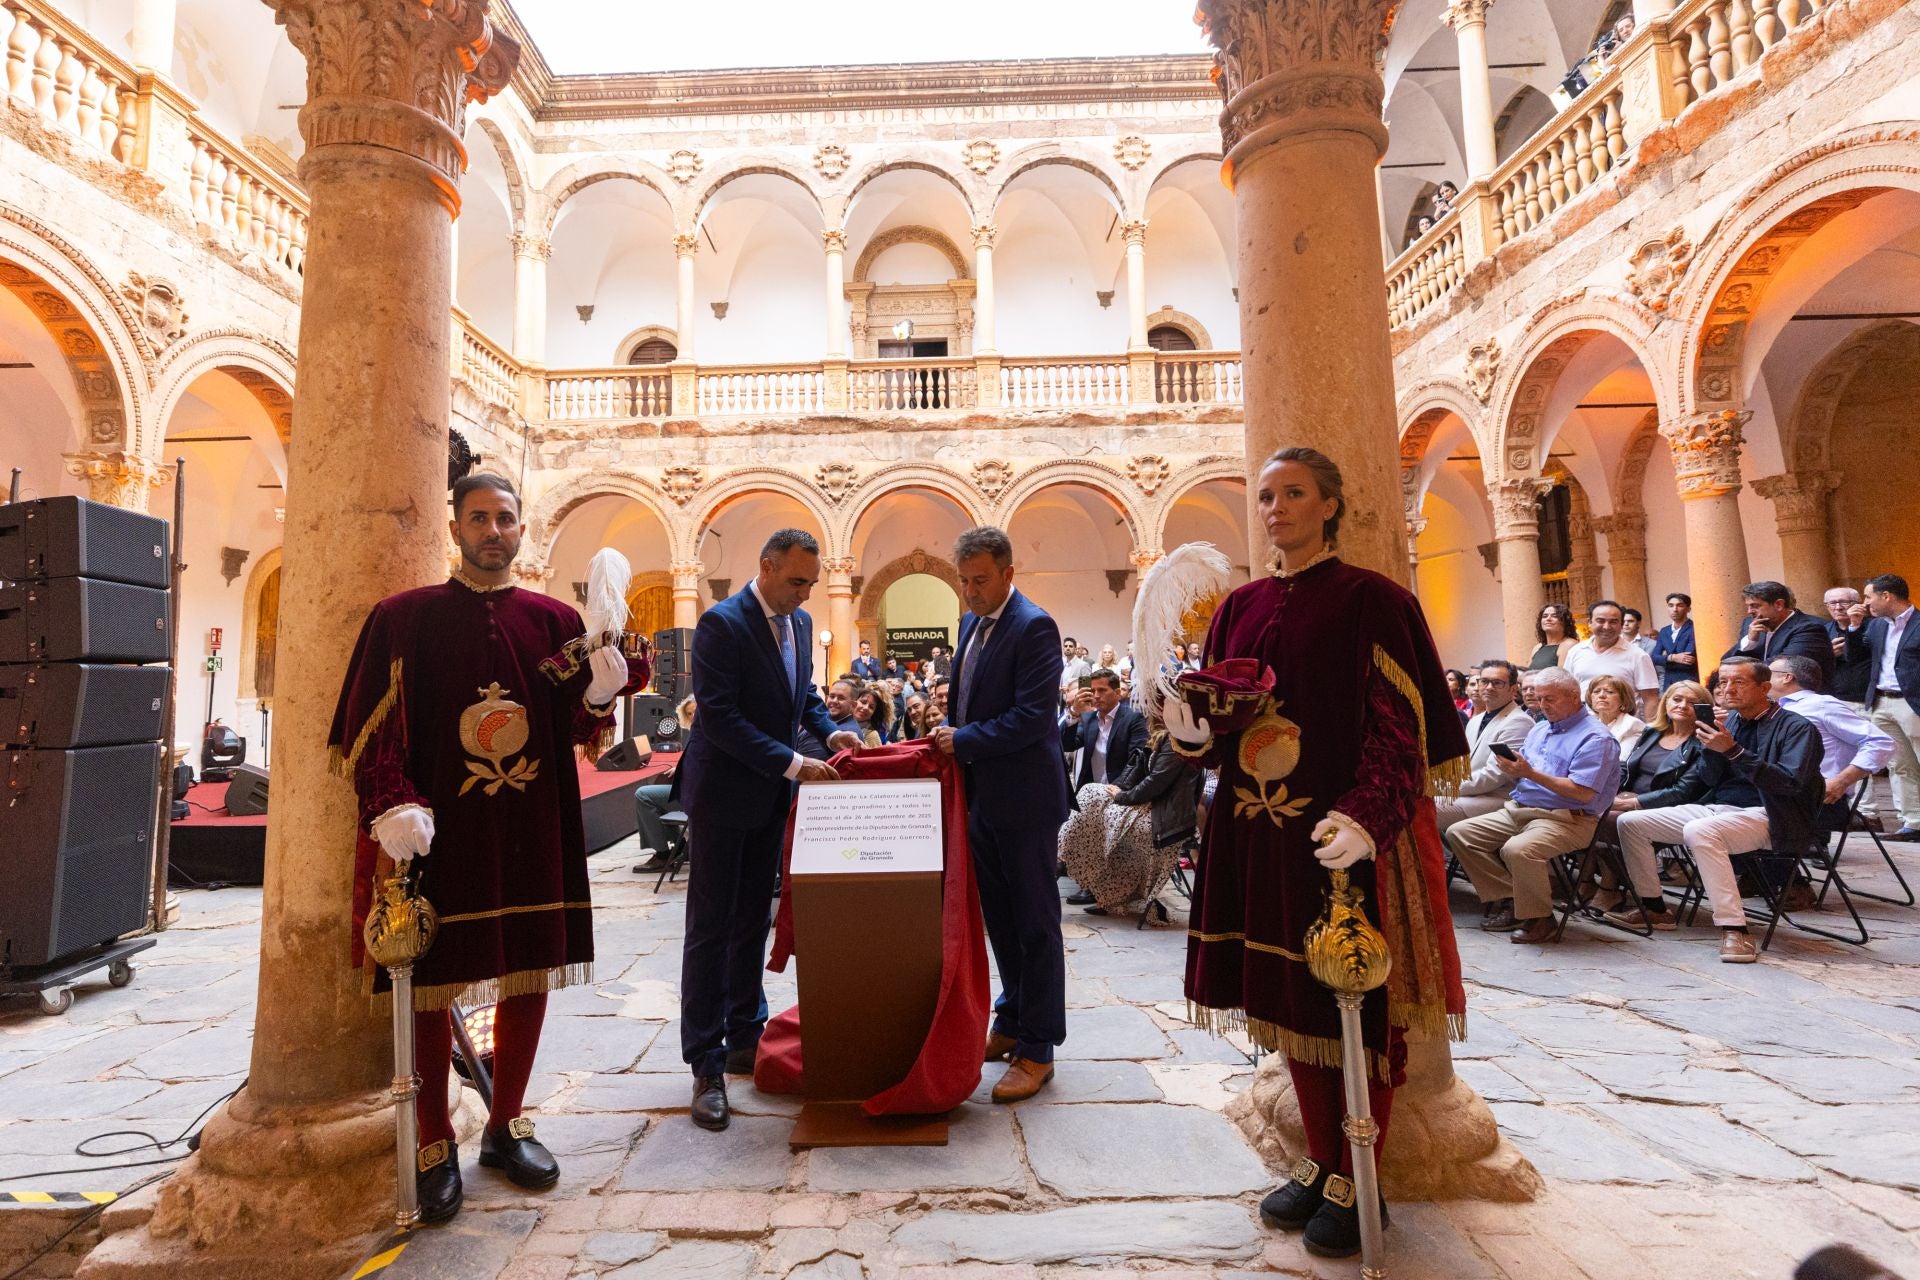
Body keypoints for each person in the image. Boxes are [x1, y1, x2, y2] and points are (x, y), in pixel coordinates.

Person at [1161, 447, 1467, 1260]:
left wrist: (1367, 817)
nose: (1275, 509)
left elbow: (1403, 737)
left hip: (1341, 842)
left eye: (1293, 494)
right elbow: (1225, 734)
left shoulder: (1377, 601)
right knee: (1290, 1004)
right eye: (1265, 496)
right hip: (1258, 837)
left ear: (1330, 505)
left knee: (1357, 1000)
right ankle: (1319, 1158)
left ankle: (1356, 1176)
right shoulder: (1241, 606)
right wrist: (1194, 735)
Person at [331, 473, 647, 1222]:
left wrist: (600, 696)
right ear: (455, 528)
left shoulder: (552, 621)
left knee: (529, 966)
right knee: (432, 976)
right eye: (479, 517)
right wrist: (390, 805)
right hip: (441, 829)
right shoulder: (402, 619)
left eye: (506, 518)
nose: (494, 530)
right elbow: (366, 735)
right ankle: (435, 1139)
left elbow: (578, 731)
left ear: (522, 531)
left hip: (534, 820)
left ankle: (506, 1124)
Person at [678, 529, 862, 1132]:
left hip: (766, 797)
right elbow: (722, 716)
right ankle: (705, 1064)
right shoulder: (722, 625)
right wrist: (793, 763)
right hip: (724, 794)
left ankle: (743, 1032)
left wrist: (827, 727)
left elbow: (798, 694)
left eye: (811, 583)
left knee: (753, 916)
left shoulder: (800, 625)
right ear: (766, 566)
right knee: (711, 926)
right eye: (795, 582)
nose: (805, 595)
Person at [934, 525, 1072, 1103]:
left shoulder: (1034, 626)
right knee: (1002, 920)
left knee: (1036, 923)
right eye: (963, 581)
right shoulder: (971, 623)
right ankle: (1013, 1017)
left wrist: (962, 739)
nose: (970, 592)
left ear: (1009, 574)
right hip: (982, 796)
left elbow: (1031, 718)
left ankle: (1039, 1049)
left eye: (981, 581)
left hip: (1025, 798)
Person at [1613, 658, 1823, 963]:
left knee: (1700, 831)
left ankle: (1734, 929)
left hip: (1774, 814)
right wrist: (1710, 749)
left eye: (1738, 682)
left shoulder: (1796, 727)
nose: (1727, 689)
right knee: (1631, 822)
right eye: (1723, 682)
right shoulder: (1731, 722)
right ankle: (1655, 909)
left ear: (1765, 688)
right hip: (1721, 808)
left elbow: (1789, 783)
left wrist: (1733, 750)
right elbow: (1710, 779)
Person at [1446, 667, 1622, 944]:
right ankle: (1513, 902)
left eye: (1550, 699)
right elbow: (1525, 770)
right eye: (1539, 699)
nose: (1542, 706)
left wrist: (1529, 773)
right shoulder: (1540, 728)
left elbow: (1583, 793)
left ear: (1574, 696)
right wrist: (1513, 767)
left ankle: (1541, 919)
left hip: (1569, 818)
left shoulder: (1595, 738)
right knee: (1461, 833)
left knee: (1519, 849)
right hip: (1521, 807)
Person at [1598, 681, 1710, 929]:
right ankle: (1600, 884)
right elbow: (1627, 768)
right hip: (1629, 800)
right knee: (1584, 810)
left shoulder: (1703, 742)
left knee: (1605, 819)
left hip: (1667, 810)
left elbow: (1684, 792)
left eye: (1692, 702)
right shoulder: (1652, 732)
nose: (1682, 705)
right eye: (1676, 699)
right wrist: (1612, 791)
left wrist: (1634, 802)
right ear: (1665, 702)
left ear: (1704, 709)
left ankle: (1609, 887)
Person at [1058, 726, 1198, 918]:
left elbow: (1156, 782)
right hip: (1149, 804)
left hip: (1166, 817)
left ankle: (1062, 862)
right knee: (1090, 794)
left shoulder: (1178, 738)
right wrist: (1119, 789)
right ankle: (1063, 859)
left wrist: (1122, 796)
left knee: (1106, 820)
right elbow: (1138, 765)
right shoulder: (1157, 731)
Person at [1769, 654, 1894, 822]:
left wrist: (1841, 782)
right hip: (1781, 792)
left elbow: (1881, 742)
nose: (1762, 678)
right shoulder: (1775, 708)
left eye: (1768, 673)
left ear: (1787, 677)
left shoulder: (1821, 705)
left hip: (1818, 799)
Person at [1846, 575, 1920, 840]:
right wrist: (1854, 628)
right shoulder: (1876, 626)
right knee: (1899, 765)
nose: (1865, 603)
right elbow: (1856, 659)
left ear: (1886, 596)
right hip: (1880, 702)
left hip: (1913, 703)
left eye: (1869, 597)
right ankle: (1913, 823)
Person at [1438, 659, 1536, 832]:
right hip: (1472, 793)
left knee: (1420, 809)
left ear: (1513, 689)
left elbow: (1494, 776)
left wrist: (1445, 788)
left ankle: (1437, 858)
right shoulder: (1475, 721)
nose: (1489, 687)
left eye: (1497, 683)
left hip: (1497, 799)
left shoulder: (1518, 722)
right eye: (1484, 681)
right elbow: (1462, 765)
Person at [1723, 580, 1836, 687]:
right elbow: (1726, 662)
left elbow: (1782, 668)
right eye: (1748, 606)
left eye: (1755, 606)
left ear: (1779, 605)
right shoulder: (1752, 624)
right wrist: (1750, 642)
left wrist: (1736, 674)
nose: (1749, 611)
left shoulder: (1809, 629)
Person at [634, 695, 697, 873]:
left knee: (643, 795)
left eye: (696, 712)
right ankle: (678, 846)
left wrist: (683, 770)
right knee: (652, 792)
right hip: (696, 790)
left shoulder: (708, 733)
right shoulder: (705, 732)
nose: (693, 717)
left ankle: (662, 855)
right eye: (690, 714)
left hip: (699, 797)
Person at [1565, 600, 1659, 717]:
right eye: (1600, 621)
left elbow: (1651, 698)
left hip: (1623, 729)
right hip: (1582, 725)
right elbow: (1566, 691)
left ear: (1621, 624)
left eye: (1613, 622)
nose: (1606, 626)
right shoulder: (1576, 652)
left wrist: (1650, 733)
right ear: (1589, 622)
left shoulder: (1638, 656)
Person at [1821, 586, 1871, 706]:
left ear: (1858, 604)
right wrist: (1828, 655)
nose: (1838, 607)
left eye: (1844, 602)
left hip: (1870, 697)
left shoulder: (1875, 626)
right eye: (1832, 603)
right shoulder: (1822, 631)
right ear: (1826, 606)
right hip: (1835, 697)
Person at [1652, 592, 1698, 691]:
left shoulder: (1694, 628)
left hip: (1689, 681)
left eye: (1679, 605)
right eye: (1671, 605)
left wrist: (1664, 659)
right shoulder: (1664, 631)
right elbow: (1654, 658)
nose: (1674, 609)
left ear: (1688, 609)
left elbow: (1687, 659)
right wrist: (1672, 657)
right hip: (1669, 683)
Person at [1585, 674, 1645, 747]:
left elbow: (1621, 758)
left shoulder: (1632, 725)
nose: (1601, 695)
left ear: (1623, 699)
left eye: (1610, 692)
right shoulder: (1588, 723)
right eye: (1596, 691)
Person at [1530, 602, 1579, 670]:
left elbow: (1561, 677)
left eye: (1555, 616)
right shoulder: (1537, 648)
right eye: (1544, 616)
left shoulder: (1569, 644)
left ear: (1565, 622)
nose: (1548, 619)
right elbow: (1527, 674)